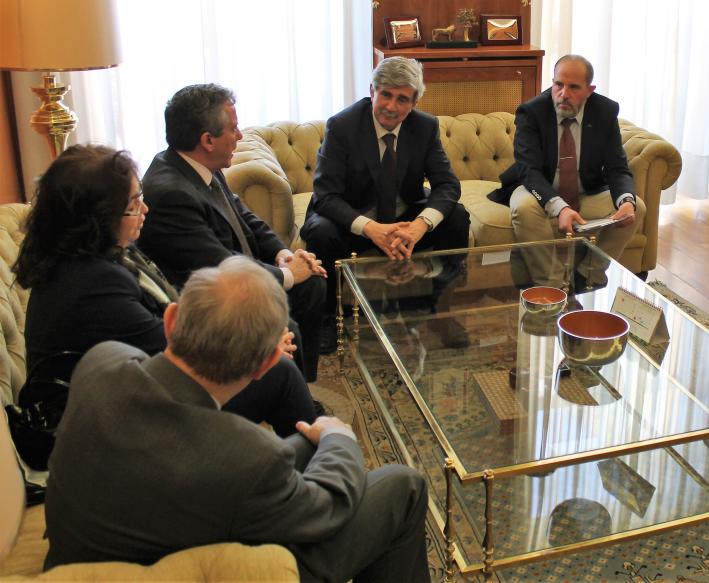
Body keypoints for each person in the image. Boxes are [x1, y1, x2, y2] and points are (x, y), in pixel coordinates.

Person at [43, 256, 431, 582]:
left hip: (104, 545)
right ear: (266, 364)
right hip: (190, 568)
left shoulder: (100, 362)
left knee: (305, 447)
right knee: (403, 486)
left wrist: (319, 446)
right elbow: (328, 508)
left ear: (171, 321)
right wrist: (339, 438)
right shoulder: (245, 456)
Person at [14, 144, 320, 438]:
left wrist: (252, 337)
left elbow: (171, 308)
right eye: (133, 205)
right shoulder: (91, 284)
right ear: (98, 217)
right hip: (114, 424)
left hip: (132, 389)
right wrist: (254, 351)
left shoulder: (97, 252)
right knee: (279, 373)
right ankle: (313, 456)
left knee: (276, 349)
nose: (145, 209)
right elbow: (176, 354)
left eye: (140, 196)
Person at [137, 84, 326, 381]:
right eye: (234, 129)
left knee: (312, 284)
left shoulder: (199, 164)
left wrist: (283, 254)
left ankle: (300, 384)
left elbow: (245, 217)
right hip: (213, 299)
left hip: (237, 268)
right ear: (207, 140)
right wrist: (289, 275)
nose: (239, 136)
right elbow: (219, 264)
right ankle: (285, 394)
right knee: (288, 324)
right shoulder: (171, 194)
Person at [300, 56, 469, 353]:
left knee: (456, 217)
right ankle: (327, 318)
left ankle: (438, 309)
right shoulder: (342, 126)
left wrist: (419, 226)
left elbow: (448, 185)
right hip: (353, 218)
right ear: (372, 91)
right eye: (386, 95)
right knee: (320, 233)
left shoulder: (425, 127)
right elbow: (326, 195)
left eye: (402, 99)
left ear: (414, 102)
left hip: (404, 220)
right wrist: (372, 229)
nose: (391, 106)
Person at [490, 54, 645, 287]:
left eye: (574, 87)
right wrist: (560, 208)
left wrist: (626, 201)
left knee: (636, 207)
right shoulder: (532, 112)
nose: (563, 93)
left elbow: (617, 167)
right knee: (523, 208)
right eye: (558, 84)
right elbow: (528, 171)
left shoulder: (604, 112)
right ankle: (551, 285)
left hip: (586, 191)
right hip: (538, 189)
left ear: (589, 90)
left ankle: (588, 276)